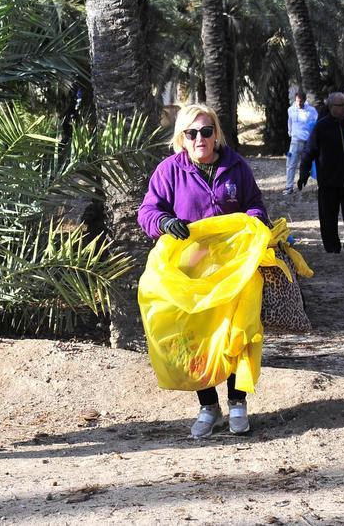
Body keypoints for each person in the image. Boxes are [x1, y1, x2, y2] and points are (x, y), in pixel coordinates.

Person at [137, 103, 268, 439]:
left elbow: (255, 203)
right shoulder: (169, 171)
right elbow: (148, 211)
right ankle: (208, 406)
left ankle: (238, 403)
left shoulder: (235, 166)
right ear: (182, 137)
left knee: (236, 334)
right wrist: (165, 222)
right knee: (198, 340)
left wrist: (251, 220)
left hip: (233, 270)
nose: (200, 138)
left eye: (206, 131)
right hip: (191, 273)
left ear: (216, 134)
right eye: (191, 133)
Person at [298, 92, 344, 255]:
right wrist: (304, 172)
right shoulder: (321, 127)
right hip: (328, 182)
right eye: (340, 106)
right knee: (328, 216)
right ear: (331, 107)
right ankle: (332, 247)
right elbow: (309, 151)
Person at [284, 91, 317, 195]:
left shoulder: (311, 111)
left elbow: (316, 123)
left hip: (308, 141)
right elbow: (289, 123)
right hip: (295, 141)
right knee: (291, 164)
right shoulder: (291, 110)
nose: (299, 103)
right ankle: (289, 187)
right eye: (297, 101)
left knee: (314, 163)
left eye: (301, 101)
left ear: (304, 100)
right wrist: (291, 134)